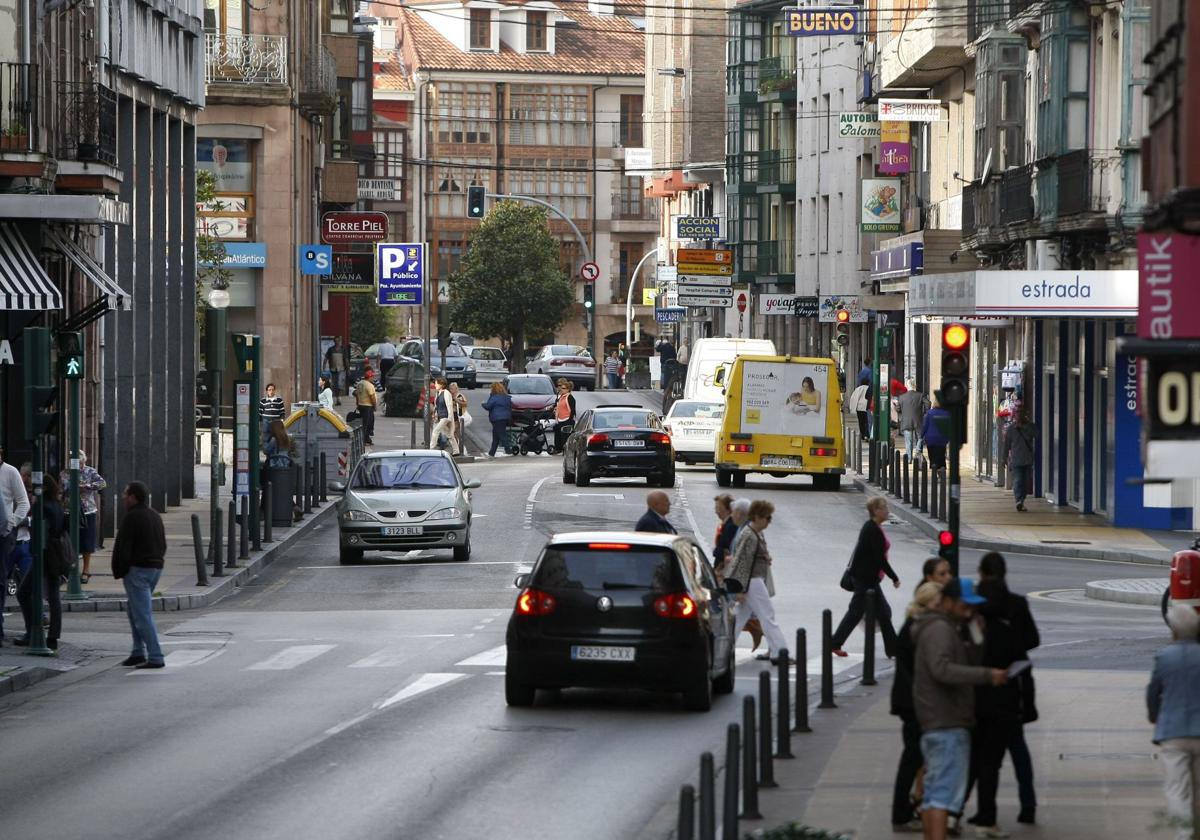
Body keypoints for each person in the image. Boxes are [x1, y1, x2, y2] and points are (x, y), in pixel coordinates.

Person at [912, 578, 1008, 840]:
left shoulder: (948, 627)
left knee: (934, 795)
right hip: (946, 723)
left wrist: (975, 637)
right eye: (965, 606)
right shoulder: (940, 630)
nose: (970, 611)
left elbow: (961, 662)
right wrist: (987, 675)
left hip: (942, 722)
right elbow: (942, 669)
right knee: (943, 797)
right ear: (948, 602)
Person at [978, 552, 1041, 824]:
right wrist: (1012, 649)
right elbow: (1033, 639)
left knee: (983, 755)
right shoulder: (1016, 603)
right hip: (1013, 682)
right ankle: (1028, 805)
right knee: (1017, 748)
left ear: (981, 573)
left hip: (980, 683)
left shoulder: (974, 605)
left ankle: (975, 810)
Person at [964, 577, 1024, 838]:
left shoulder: (969, 629)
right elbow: (1020, 664)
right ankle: (986, 819)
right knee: (990, 765)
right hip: (1000, 706)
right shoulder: (1006, 631)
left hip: (972, 705)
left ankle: (955, 813)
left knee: (972, 762)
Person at [891, 581, 945, 832]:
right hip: (914, 703)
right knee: (912, 757)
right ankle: (901, 813)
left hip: (911, 701)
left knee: (914, 757)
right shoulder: (918, 629)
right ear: (926, 604)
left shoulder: (916, 625)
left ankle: (906, 808)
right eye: (937, 604)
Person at [1148, 604, 1200, 840]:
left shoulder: (1164, 657)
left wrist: (1155, 716)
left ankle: (1184, 832)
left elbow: (1153, 693)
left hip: (1173, 731)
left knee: (1177, 787)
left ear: (1174, 630)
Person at [831, 496, 901, 658]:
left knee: (883, 613)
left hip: (868, 579)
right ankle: (834, 643)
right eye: (885, 508)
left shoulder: (873, 527)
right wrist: (894, 577)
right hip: (865, 579)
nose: (888, 511)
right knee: (857, 612)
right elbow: (879, 558)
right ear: (876, 511)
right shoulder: (872, 529)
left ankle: (894, 649)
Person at [111, 481, 167, 669]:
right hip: (155, 568)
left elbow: (123, 546)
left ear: (134, 497)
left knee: (142, 614)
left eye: (126, 494)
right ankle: (137, 652)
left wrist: (121, 568)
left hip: (138, 569)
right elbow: (163, 544)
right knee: (135, 610)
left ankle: (155, 655)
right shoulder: (154, 515)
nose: (124, 497)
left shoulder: (132, 517)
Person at [726, 499, 787, 662]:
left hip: (750, 581)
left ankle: (724, 649)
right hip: (752, 581)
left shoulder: (755, 533)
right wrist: (738, 588)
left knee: (739, 617)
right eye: (768, 518)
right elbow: (740, 561)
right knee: (767, 615)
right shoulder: (750, 535)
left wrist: (765, 558)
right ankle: (779, 652)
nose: (769, 522)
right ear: (758, 517)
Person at [13, 475, 65, 651]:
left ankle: (32, 632)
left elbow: (38, 530)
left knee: (24, 593)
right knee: (53, 596)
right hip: (55, 554)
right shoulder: (57, 505)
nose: (31, 493)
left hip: (42, 555)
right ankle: (53, 636)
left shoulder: (41, 506)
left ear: (41, 489)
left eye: (33, 489)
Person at [58, 449, 106, 585]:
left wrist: (87, 486)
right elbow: (60, 491)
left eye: (80, 462)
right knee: (69, 542)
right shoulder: (64, 473)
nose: (78, 465)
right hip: (68, 510)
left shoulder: (90, 471)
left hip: (87, 510)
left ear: (84, 461)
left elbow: (102, 483)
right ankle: (70, 569)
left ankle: (86, 571)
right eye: (74, 462)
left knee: (86, 542)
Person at [0, 448, 30, 644]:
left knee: (1, 580)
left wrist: (11, 522)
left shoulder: (10, 472)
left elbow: (23, 502)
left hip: (3, 534)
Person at [1001, 409, 1037, 512]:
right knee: (1017, 481)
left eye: (1021, 414)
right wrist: (1004, 459)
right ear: (1014, 416)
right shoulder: (1011, 429)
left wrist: (1028, 425)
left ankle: (1022, 500)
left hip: (1027, 460)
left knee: (1025, 482)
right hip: (1016, 460)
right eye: (1017, 415)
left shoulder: (1029, 427)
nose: (1019, 417)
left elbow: (1037, 434)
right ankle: (1018, 501)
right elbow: (1006, 445)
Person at [897, 378, 928, 462]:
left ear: (907, 386)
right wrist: (924, 412)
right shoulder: (920, 395)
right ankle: (918, 451)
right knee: (921, 437)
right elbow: (928, 405)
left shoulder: (901, 397)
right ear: (915, 385)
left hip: (906, 421)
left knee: (908, 441)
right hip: (918, 420)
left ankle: (909, 459)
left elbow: (898, 409)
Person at [482, 381, 513, 458]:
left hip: (496, 419)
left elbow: (488, 406)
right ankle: (492, 452)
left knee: (502, 435)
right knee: (496, 435)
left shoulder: (494, 397)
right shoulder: (507, 397)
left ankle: (508, 449)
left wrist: (483, 404)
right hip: (506, 418)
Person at [921, 395, 951, 472]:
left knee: (932, 456)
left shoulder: (929, 413)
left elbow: (925, 426)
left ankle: (935, 471)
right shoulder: (947, 413)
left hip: (930, 438)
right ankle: (941, 469)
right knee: (941, 455)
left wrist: (921, 436)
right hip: (942, 439)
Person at [430, 378, 459, 456]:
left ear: (441, 385)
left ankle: (431, 449)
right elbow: (437, 406)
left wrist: (449, 418)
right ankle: (456, 451)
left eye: (436, 383)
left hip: (445, 417)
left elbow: (449, 405)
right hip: (440, 417)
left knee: (435, 431)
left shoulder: (446, 393)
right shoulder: (438, 393)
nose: (435, 385)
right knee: (449, 434)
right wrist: (434, 414)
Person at [354, 370, 377, 445]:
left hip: (361, 405)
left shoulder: (360, 383)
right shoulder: (369, 385)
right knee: (366, 424)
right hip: (368, 407)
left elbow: (357, 394)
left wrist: (357, 403)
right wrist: (375, 406)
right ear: (369, 377)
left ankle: (367, 439)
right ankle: (363, 440)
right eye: (372, 376)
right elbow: (372, 397)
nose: (373, 378)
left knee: (367, 423)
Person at [448, 382, 470, 456]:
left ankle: (461, 450)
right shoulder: (450, 396)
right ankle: (459, 449)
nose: (451, 390)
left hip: (459, 417)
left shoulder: (459, 395)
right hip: (454, 417)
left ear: (456, 389)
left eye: (452, 389)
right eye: (450, 388)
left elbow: (465, 403)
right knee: (454, 434)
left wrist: (456, 400)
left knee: (455, 433)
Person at [324, 337, 347, 402]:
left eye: (338, 341)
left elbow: (346, 359)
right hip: (333, 369)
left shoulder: (343, 350)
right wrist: (324, 367)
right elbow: (326, 358)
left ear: (340, 341)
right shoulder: (331, 349)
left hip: (341, 369)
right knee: (335, 384)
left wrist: (347, 369)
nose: (337, 342)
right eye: (335, 341)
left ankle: (339, 397)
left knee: (340, 384)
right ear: (334, 342)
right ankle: (337, 398)